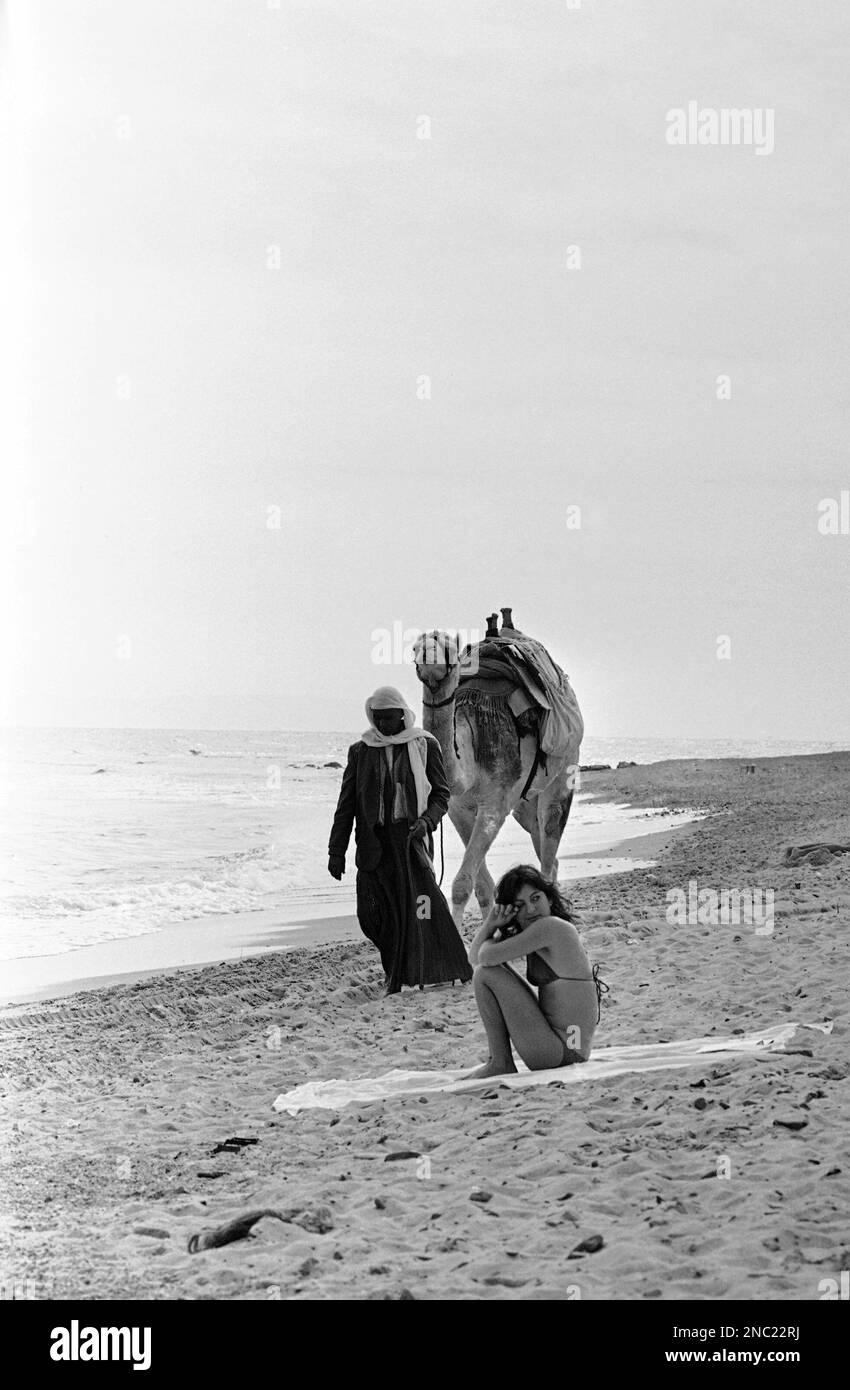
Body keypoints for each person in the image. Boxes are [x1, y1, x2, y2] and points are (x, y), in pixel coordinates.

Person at [328, 686, 473, 994]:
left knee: (423, 909)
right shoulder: (360, 750)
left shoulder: (424, 745)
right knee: (373, 916)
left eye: (389, 718)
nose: (382, 725)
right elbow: (346, 805)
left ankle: (438, 970)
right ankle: (397, 968)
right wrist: (336, 852)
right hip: (372, 846)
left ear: (402, 716)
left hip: (410, 841)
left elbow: (441, 794)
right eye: (377, 718)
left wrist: (426, 821)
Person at [464, 864, 607, 1078]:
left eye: (535, 898)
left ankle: (500, 1062)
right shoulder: (538, 931)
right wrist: (490, 924)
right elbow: (474, 958)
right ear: (512, 911)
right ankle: (498, 1061)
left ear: (549, 898)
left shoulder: (551, 928)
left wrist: (492, 928)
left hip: (562, 1051)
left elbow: (484, 958)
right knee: (485, 971)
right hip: (566, 1047)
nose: (531, 910)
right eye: (520, 905)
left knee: (487, 974)